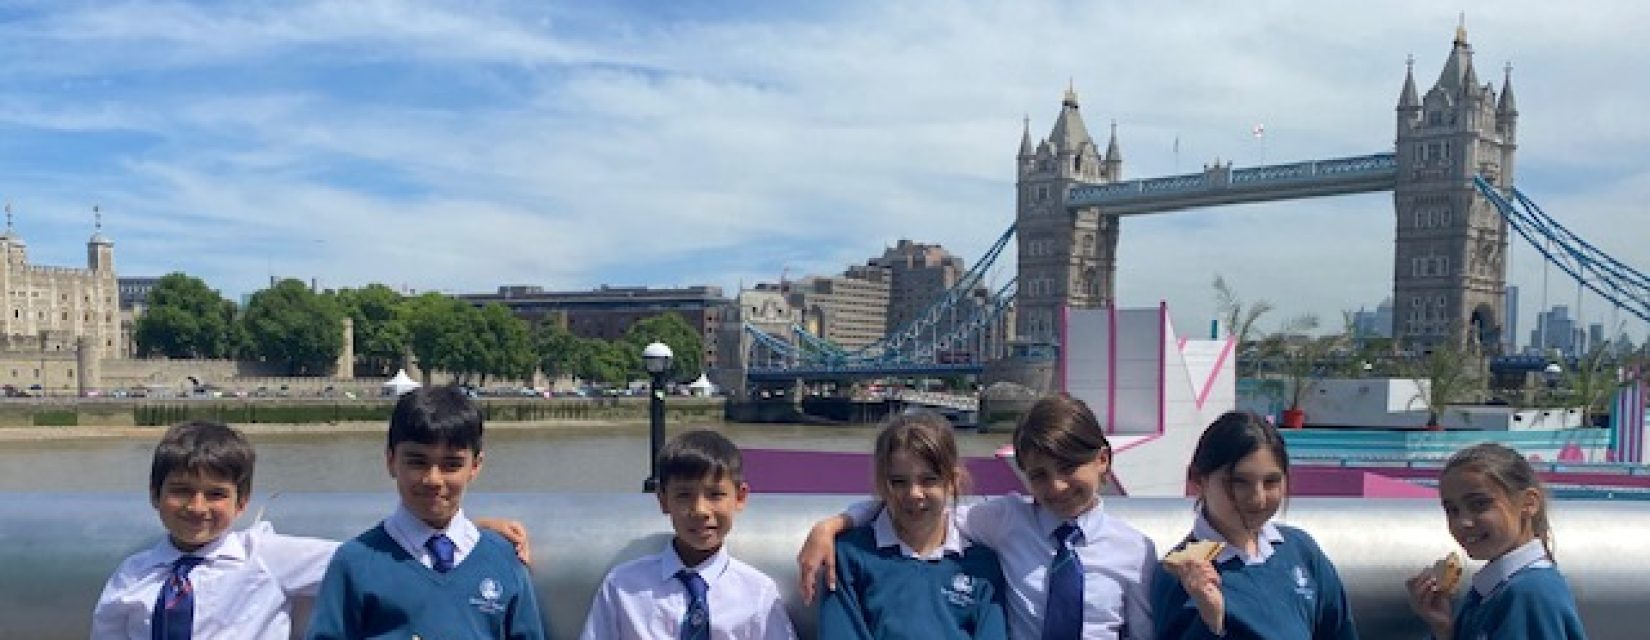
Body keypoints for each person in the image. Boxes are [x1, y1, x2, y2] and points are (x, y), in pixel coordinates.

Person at [91, 420, 534, 639]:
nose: (197, 507)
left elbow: (377, 556)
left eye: (216, 495)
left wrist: (465, 530)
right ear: (154, 494)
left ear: (242, 503)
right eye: (181, 491)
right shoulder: (133, 575)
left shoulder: (266, 557)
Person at [800, 392, 1156, 639]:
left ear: (1103, 461)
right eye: (1039, 476)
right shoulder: (1005, 521)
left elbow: (1143, 635)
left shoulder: (1136, 552)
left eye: (1068, 468)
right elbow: (926, 509)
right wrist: (834, 524)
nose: (1057, 487)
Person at [306, 385, 546, 639]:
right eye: (417, 462)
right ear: (390, 461)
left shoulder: (503, 560)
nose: (433, 479)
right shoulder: (354, 563)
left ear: (475, 467)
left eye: (451, 465)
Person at [1152, 411, 1357, 639]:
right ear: (1198, 479)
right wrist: (1213, 623)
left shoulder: (1300, 550)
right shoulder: (1182, 573)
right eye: (1238, 482)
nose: (1257, 498)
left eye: (1271, 482)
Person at [579, 429, 796, 639]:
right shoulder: (623, 586)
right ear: (663, 500)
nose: (700, 510)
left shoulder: (757, 593)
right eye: (684, 495)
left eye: (715, 495)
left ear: (740, 498)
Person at [817, 412, 1008, 639]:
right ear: (881, 483)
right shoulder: (849, 557)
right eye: (899, 482)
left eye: (929, 480)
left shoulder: (982, 565)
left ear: (952, 482)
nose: (914, 493)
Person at [1405, 442, 1586, 639]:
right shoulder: (1492, 592)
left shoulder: (1529, 594)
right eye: (1452, 510)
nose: (1463, 522)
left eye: (1479, 504)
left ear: (1529, 503)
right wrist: (1444, 628)